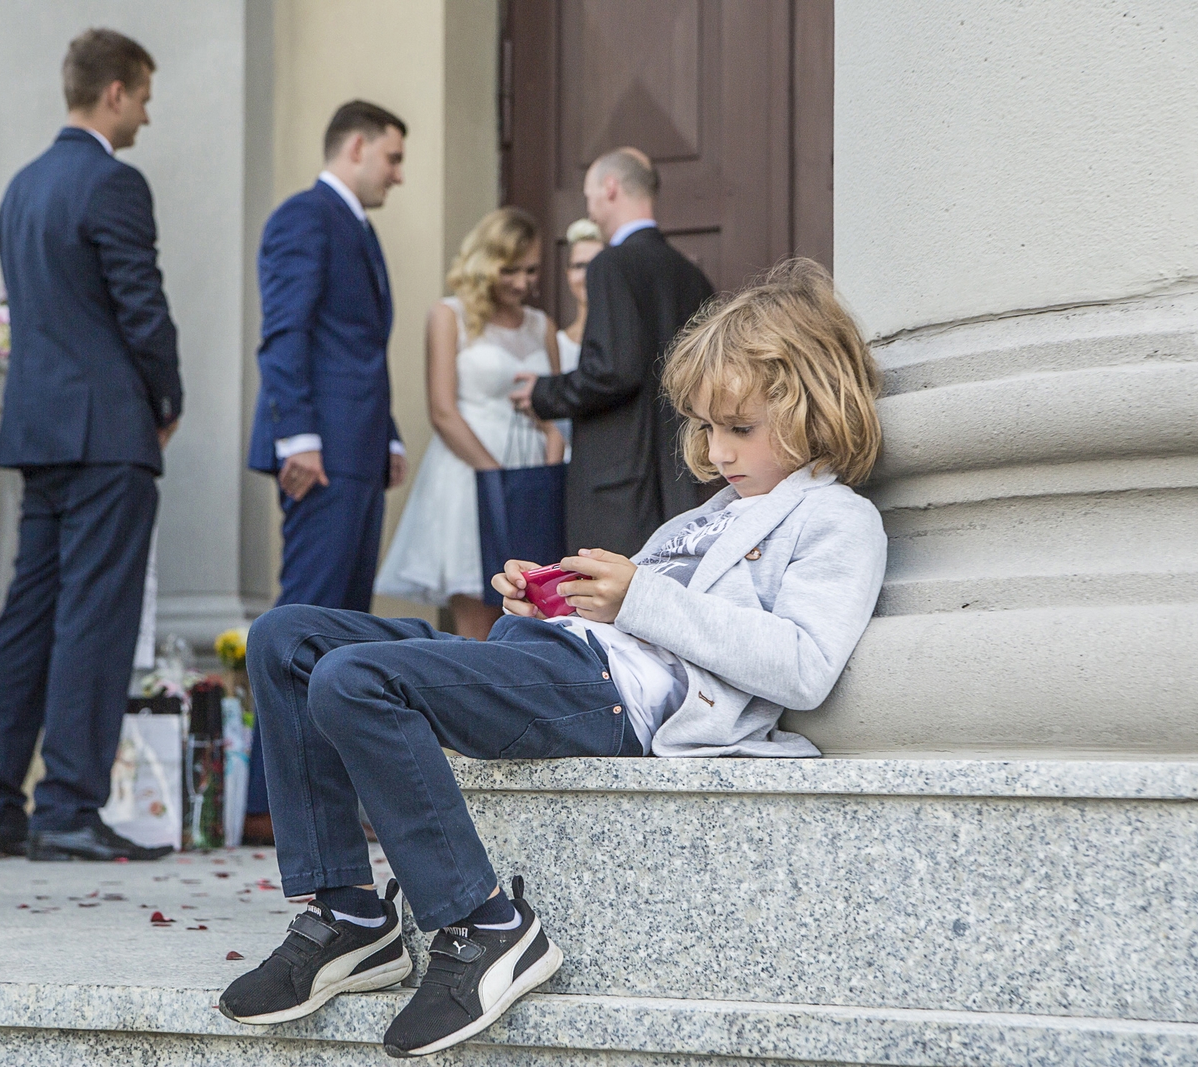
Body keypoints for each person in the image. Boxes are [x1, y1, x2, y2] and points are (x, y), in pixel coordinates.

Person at [218, 260, 887, 1058]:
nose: (718, 450)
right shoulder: (715, 513)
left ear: (815, 405)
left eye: (738, 429)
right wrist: (556, 599)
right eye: (708, 428)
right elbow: (637, 614)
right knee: (287, 639)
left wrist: (637, 594)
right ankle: (354, 916)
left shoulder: (837, 520)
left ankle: (485, 924)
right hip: (561, 658)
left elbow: (804, 664)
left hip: (612, 700)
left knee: (353, 680)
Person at [0, 29, 181, 863]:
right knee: (96, 613)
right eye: (146, 97)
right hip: (107, 430)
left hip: (39, 426)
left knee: (28, 614)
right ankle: (66, 805)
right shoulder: (112, 183)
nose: (148, 116)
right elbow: (141, 310)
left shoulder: (21, 188)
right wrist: (168, 396)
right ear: (115, 91)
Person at [243, 100, 409, 841]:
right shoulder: (304, 217)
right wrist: (299, 437)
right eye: (393, 159)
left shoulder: (357, 227)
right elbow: (285, 334)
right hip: (320, 455)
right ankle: (263, 802)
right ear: (356, 145)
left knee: (342, 636)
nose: (398, 175)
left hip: (357, 451)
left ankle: (328, 801)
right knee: (297, 626)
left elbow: (357, 347)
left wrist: (390, 433)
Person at [511, 147, 716, 557]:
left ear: (610, 188)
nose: (590, 211)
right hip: (681, 476)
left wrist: (542, 394)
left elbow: (613, 369)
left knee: (605, 605)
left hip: (617, 488)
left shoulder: (610, 265)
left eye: (589, 197)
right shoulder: (693, 277)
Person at [374, 207, 566, 639]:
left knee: (536, 608)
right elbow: (442, 411)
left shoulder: (543, 326)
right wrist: (494, 479)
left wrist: (547, 471)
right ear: (486, 264)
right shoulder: (449, 315)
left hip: (532, 476)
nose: (522, 282)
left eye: (531, 270)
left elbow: (554, 412)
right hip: (469, 472)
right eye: (510, 270)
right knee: (479, 613)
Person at [556, 218, 605, 375]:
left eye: (596, 265)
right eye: (579, 266)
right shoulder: (556, 343)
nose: (587, 275)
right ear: (568, 273)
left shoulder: (625, 342)